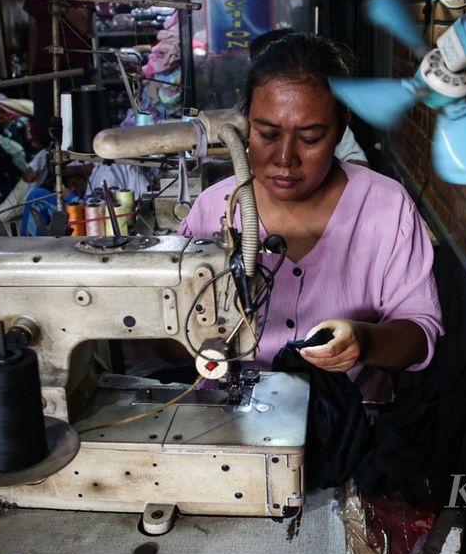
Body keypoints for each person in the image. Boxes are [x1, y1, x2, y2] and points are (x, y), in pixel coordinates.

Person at [180, 34, 442, 402]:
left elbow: (419, 333)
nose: (285, 158)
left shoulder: (386, 207)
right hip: (228, 422)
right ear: (246, 125)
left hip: (353, 421)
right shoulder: (214, 209)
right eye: (267, 133)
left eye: (311, 137)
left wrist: (364, 341)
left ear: (342, 126)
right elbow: (165, 333)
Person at [249, 28, 369, 167]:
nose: (285, 159)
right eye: (268, 134)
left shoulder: (324, 118)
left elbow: (360, 164)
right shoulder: (244, 111)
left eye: (309, 139)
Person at [24, 0, 93, 146]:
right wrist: (31, 75)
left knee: (78, 131)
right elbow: (33, 34)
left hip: (74, 68)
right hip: (45, 71)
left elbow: (83, 26)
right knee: (48, 133)